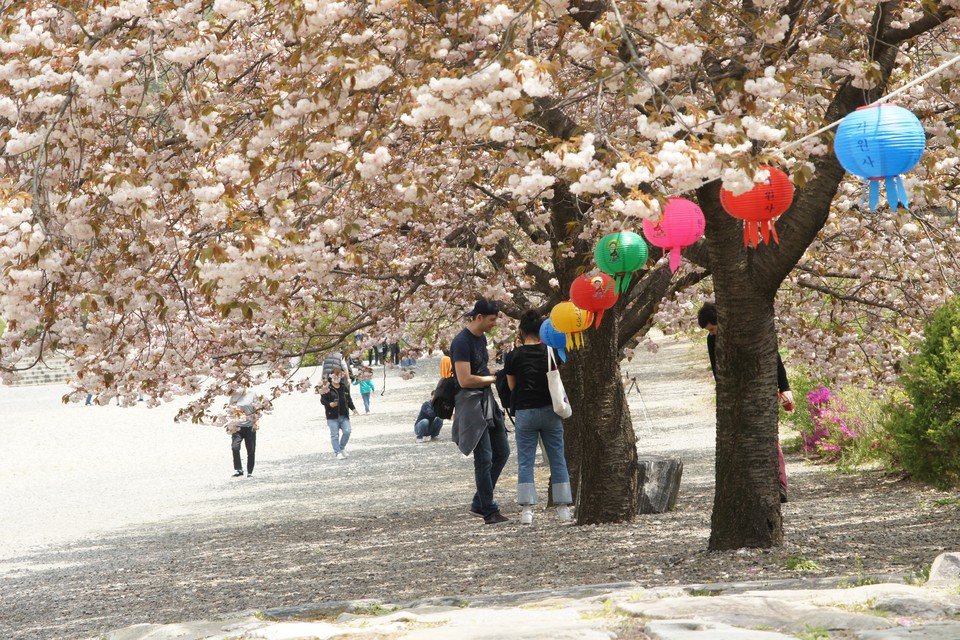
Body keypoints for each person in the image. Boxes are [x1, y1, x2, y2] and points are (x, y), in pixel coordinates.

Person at [697, 301, 793, 503]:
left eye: (713, 329)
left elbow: (773, 358)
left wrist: (785, 387)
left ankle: (780, 486)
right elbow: (717, 372)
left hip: (762, 391)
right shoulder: (712, 341)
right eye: (709, 331)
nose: (712, 334)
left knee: (771, 441)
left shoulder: (749, 331)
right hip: (734, 398)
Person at [504, 309, 574, 524]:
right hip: (550, 410)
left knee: (525, 461)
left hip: (525, 413)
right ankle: (563, 509)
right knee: (557, 458)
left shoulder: (513, 356)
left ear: (522, 331)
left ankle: (527, 511)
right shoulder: (551, 352)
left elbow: (511, 386)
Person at [451, 298, 511, 525]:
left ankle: (479, 502)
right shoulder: (461, 342)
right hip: (470, 403)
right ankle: (488, 509)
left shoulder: (481, 338)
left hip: (486, 399)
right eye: (492, 319)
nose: (494, 323)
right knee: (484, 457)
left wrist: (497, 373)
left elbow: (481, 368)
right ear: (479, 317)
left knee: (502, 451)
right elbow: (465, 379)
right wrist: (493, 378)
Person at [320, 366, 359, 460]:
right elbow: (322, 400)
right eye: (335, 376)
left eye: (339, 376)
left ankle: (341, 448)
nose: (337, 378)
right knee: (334, 435)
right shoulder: (327, 388)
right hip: (332, 416)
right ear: (331, 376)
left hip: (344, 415)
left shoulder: (343, 387)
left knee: (347, 431)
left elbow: (348, 399)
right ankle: (337, 452)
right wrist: (330, 404)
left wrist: (353, 408)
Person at [227, 390, 259, 478]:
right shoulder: (233, 395)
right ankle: (239, 469)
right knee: (235, 447)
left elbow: (257, 409)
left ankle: (250, 472)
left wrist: (256, 422)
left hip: (250, 426)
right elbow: (231, 411)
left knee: (251, 450)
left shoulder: (252, 394)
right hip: (237, 427)